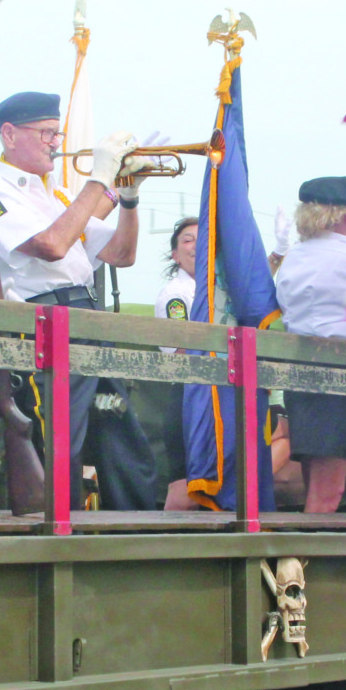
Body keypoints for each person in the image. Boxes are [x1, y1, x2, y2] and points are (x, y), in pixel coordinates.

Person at [0, 90, 157, 511]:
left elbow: (121, 254)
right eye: (46, 132)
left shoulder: (60, 196)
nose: (55, 141)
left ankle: (136, 527)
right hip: (44, 319)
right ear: (9, 135)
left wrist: (130, 198)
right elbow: (52, 244)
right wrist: (99, 180)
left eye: (56, 131)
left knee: (122, 433)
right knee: (58, 438)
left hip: (87, 316)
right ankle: (57, 525)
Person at [274, 176, 346, 514]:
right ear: (345, 216)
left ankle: (297, 558)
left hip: (301, 373)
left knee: (314, 481)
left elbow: (284, 306)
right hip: (344, 373)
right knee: (329, 490)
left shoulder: (294, 258)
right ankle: (301, 560)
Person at [154, 218, 199, 510]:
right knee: (185, 486)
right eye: (187, 239)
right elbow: (182, 351)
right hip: (188, 395)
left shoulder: (221, 290)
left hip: (218, 395)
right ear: (175, 255)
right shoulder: (176, 294)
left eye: (202, 237)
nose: (196, 244)